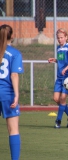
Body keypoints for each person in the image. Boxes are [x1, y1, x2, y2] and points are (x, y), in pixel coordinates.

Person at [0, 24, 24, 160]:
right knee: (13, 130)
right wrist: (16, 95)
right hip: (7, 94)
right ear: (12, 36)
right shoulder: (15, 53)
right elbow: (14, 75)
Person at [48, 28, 68, 128]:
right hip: (60, 76)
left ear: (66, 37)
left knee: (62, 98)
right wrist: (55, 60)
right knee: (56, 98)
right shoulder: (58, 48)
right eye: (58, 38)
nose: (60, 39)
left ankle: (58, 121)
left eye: (62, 37)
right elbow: (62, 60)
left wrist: (67, 67)